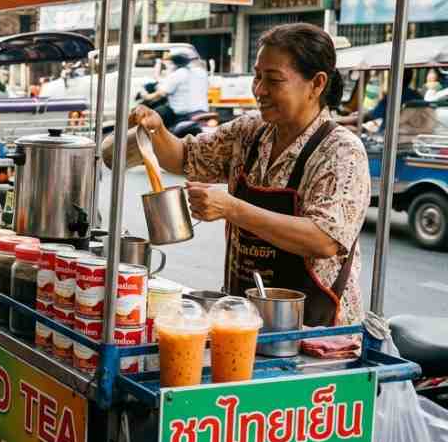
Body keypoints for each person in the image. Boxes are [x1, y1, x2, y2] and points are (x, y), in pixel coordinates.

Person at [130, 23, 369, 325]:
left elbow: (323, 240)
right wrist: (157, 128)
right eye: (257, 76)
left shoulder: (340, 151)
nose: (259, 90)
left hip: (315, 329)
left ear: (316, 84)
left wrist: (230, 207)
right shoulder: (250, 131)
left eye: (274, 80)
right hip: (243, 315)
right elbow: (183, 158)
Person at [140, 49, 210, 129]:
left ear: (174, 62)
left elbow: (159, 94)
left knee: (153, 117)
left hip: (183, 115)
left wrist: (145, 96)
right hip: (203, 112)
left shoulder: (177, 75)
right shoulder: (202, 73)